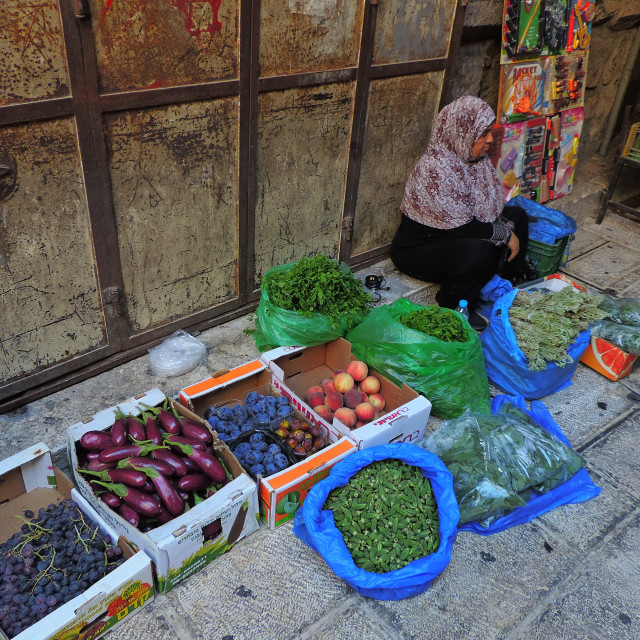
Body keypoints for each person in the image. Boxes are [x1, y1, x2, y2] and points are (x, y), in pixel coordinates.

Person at [390, 95, 535, 331]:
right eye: (482, 133)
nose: (489, 140)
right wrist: (506, 236)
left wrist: (505, 230)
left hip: (455, 236)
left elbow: (486, 210)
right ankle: (453, 308)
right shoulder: (436, 168)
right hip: (417, 250)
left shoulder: (473, 158)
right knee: (480, 249)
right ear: (461, 131)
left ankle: (506, 284)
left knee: (516, 216)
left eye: (490, 131)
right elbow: (461, 228)